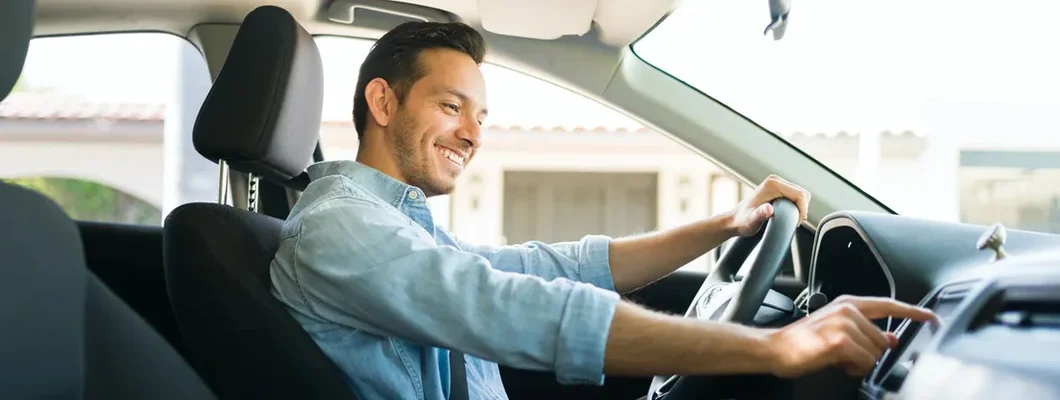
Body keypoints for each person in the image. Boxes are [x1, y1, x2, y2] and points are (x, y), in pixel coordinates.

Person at [269, 21, 935, 400]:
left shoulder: (394, 226)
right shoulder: (340, 227)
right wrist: (775, 345)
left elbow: (547, 268)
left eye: (481, 116)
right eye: (451, 107)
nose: (473, 133)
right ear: (383, 105)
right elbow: (507, 306)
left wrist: (725, 225)